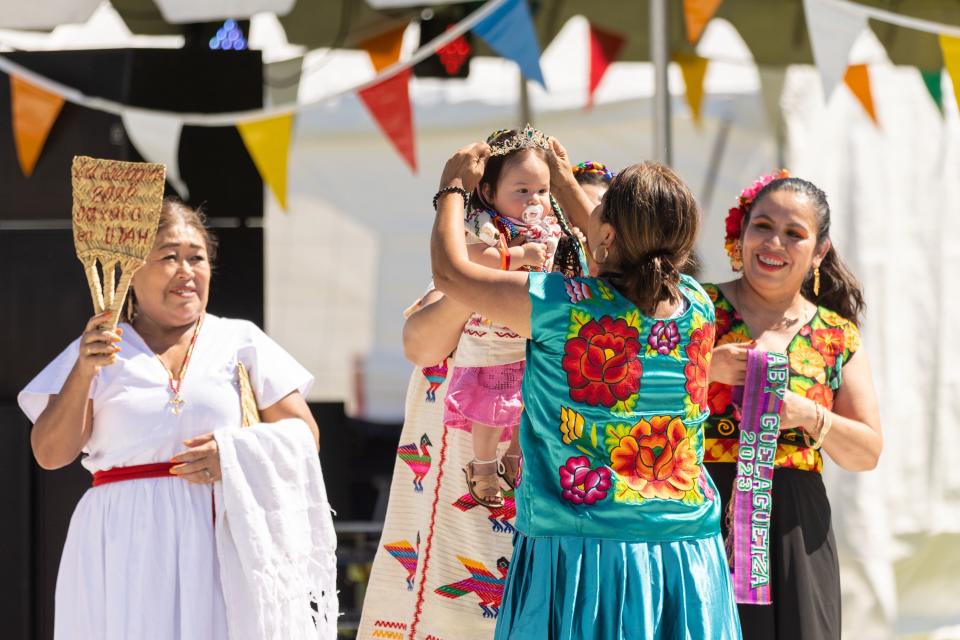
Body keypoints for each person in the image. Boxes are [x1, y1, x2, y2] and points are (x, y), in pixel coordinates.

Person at [431, 142, 741, 639]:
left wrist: (452, 189)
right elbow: (616, 245)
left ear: (608, 235)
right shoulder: (699, 305)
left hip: (580, 554)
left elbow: (450, 273)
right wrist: (564, 177)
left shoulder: (560, 305)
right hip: (686, 553)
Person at [19, 199, 329, 640]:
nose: (186, 271)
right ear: (131, 270)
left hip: (221, 537)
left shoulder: (239, 340)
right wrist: (84, 371)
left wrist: (234, 453)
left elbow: (305, 436)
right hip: (123, 542)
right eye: (168, 256)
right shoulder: (100, 348)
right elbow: (50, 454)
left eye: (196, 257)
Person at [704, 174, 883, 639]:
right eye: (762, 226)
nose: (774, 242)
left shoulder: (837, 334)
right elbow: (635, 394)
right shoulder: (696, 309)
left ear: (819, 251)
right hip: (701, 515)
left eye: (794, 234)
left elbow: (867, 451)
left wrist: (811, 417)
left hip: (797, 527)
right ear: (741, 233)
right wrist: (704, 369)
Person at [445, 127, 586, 508]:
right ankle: (484, 463)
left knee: (528, 403)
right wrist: (521, 257)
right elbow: (474, 257)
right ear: (489, 192)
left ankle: (515, 456)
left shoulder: (551, 226)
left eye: (541, 190)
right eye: (521, 190)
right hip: (494, 334)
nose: (534, 199)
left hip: (535, 337)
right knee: (492, 404)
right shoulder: (484, 224)